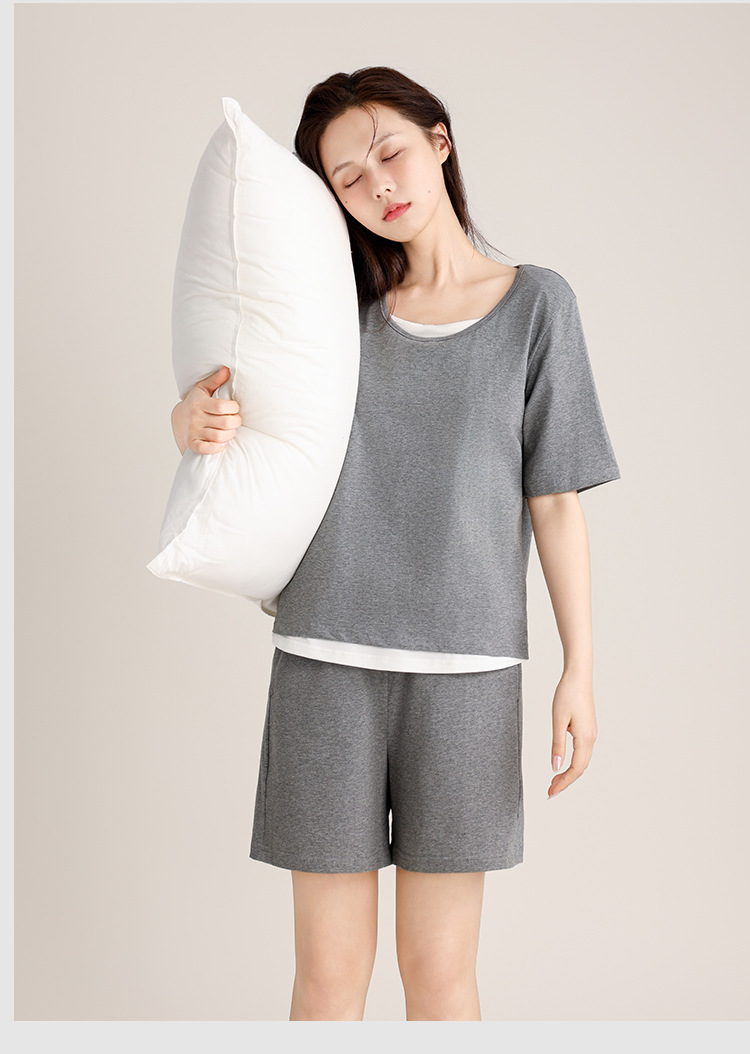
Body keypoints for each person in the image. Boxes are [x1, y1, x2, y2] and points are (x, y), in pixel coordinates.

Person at [170, 66, 621, 1022]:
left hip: (469, 675)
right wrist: (189, 422)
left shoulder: (538, 307)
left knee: (440, 977)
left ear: (439, 142)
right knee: (327, 982)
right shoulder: (329, 313)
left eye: (391, 153)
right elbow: (244, 414)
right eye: (348, 177)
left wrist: (579, 670)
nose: (379, 185)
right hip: (324, 661)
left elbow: (555, 503)